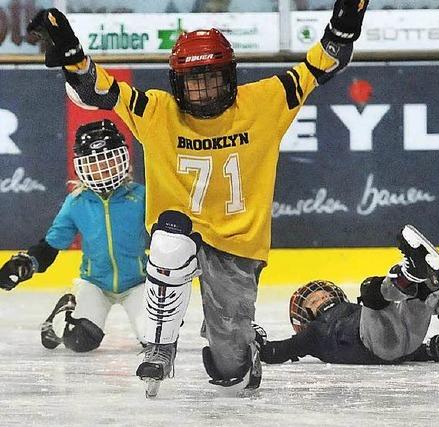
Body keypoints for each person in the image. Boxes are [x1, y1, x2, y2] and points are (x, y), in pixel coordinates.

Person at [27, 0, 369, 397]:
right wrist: (73, 54)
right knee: (170, 238)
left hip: (237, 246)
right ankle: (160, 346)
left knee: (231, 373)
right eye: (193, 80)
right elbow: (100, 89)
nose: (203, 89)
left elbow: (318, 68)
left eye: (212, 78)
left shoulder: (266, 101)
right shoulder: (158, 110)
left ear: (231, 76)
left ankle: (243, 352)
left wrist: (341, 30)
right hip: (181, 231)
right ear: (176, 83)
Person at [0, 120, 148, 352]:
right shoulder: (76, 202)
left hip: (139, 283)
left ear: (123, 159)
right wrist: (28, 262)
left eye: (109, 159)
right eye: (94, 162)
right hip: (95, 284)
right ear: (82, 167)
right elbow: (51, 244)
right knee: (80, 340)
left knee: (157, 338)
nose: (103, 168)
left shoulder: (142, 197)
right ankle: (64, 314)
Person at [256, 225, 439, 365]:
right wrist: (254, 341)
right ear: (304, 318)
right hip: (373, 344)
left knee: (425, 285)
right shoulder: (313, 335)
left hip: (404, 342)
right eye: (313, 302)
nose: (321, 299)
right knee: (369, 289)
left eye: (322, 295)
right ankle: (408, 273)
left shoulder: (355, 311)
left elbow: (418, 352)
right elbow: (277, 352)